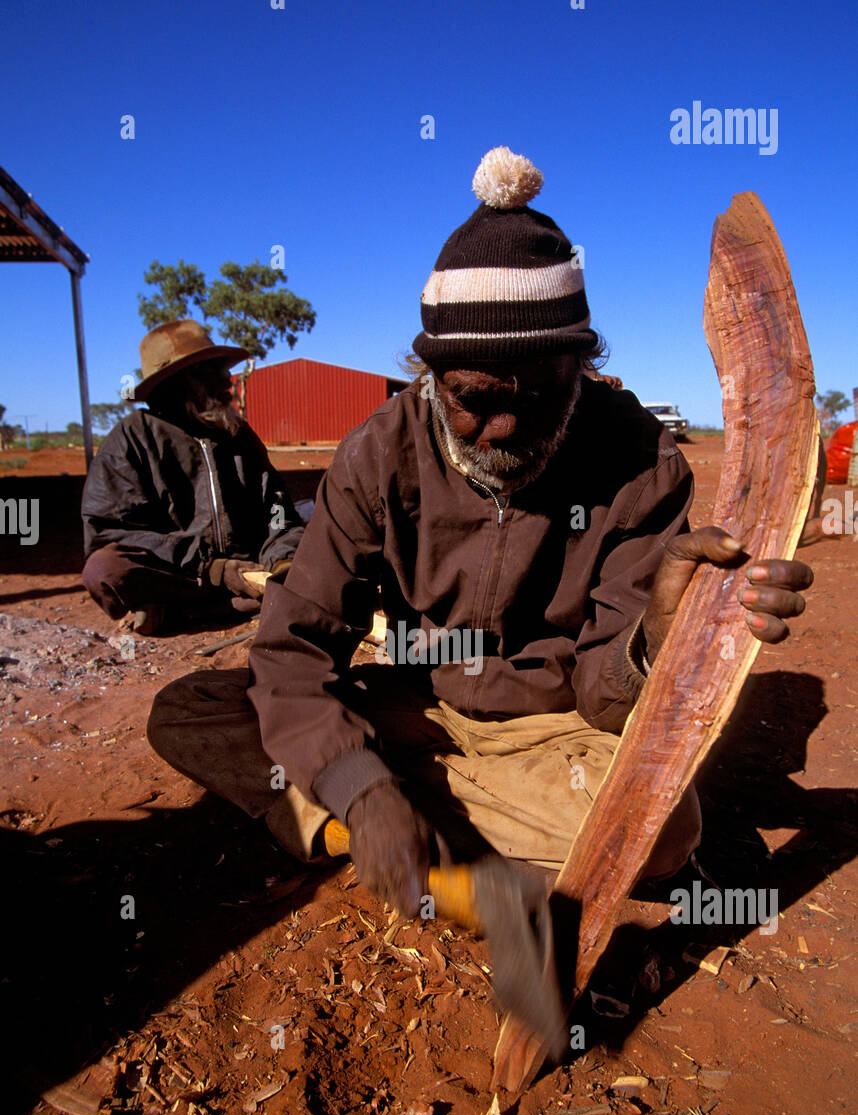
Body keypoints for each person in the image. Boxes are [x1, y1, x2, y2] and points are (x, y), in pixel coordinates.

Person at [147, 147, 814, 917]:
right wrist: (364, 794)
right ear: (429, 373)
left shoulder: (639, 462)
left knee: (665, 832)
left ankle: (376, 820)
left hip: (551, 735)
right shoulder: (379, 453)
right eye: (470, 398)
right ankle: (372, 825)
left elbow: (606, 703)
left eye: (535, 397)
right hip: (411, 706)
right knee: (190, 710)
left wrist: (659, 637)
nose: (499, 429)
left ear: (580, 367)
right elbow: (295, 648)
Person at [81, 320, 305, 635]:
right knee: (105, 568)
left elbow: (277, 511)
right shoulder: (133, 437)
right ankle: (228, 605)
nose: (227, 378)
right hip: (184, 575)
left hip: (253, 568)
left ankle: (194, 612)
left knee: (318, 520)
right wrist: (213, 568)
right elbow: (110, 531)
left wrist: (283, 561)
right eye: (212, 371)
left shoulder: (237, 434)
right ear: (179, 381)